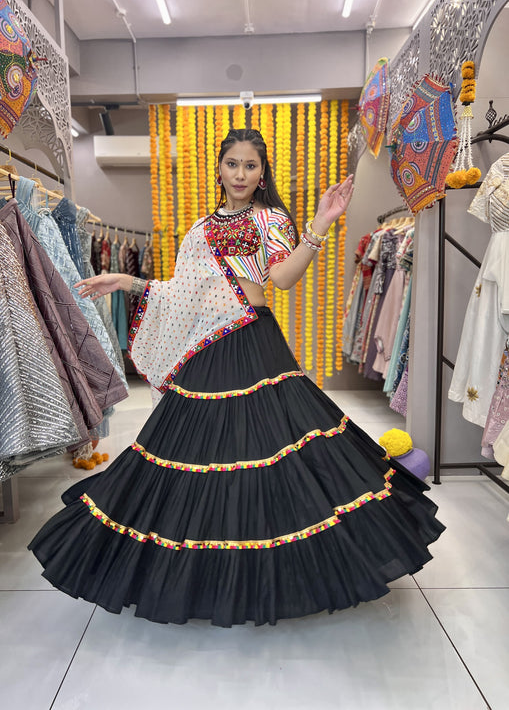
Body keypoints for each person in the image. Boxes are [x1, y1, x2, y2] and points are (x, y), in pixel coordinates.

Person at [29, 128, 444, 627]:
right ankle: (202, 575)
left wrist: (320, 223)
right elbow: (183, 293)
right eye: (232, 164)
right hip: (211, 349)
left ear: (261, 172)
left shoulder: (271, 219)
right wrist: (129, 280)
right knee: (197, 457)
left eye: (250, 165)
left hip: (255, 342)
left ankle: (281, 569)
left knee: (278, 451)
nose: (241, 174)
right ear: (219, 169)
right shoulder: (199, 229)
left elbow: (284, 279)